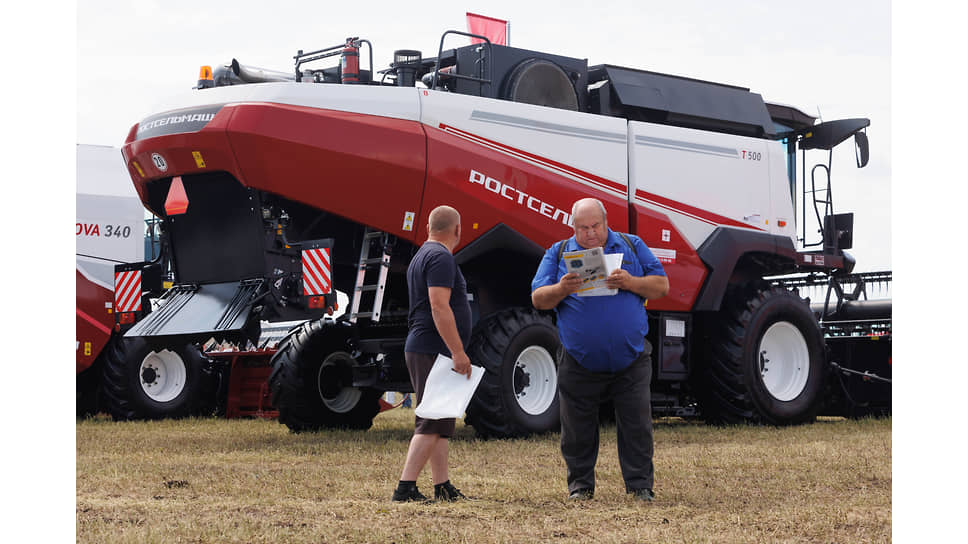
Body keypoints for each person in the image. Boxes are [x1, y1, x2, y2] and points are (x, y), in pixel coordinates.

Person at [531, 197, 669, 502]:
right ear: (573, 228)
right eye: (583, 228)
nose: (590, 233)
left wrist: (631, 282)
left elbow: (661, 286)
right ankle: (580, 487)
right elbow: (538, 298)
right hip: (579, 361)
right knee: (577, 430)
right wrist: (561, 289)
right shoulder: (558, 253)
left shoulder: (632, 246)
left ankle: (640, 486)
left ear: (607, 223)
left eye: (595, 226)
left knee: (637, 427)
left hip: (630, 359)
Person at [392, 205, 473, 503]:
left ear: (428, 227)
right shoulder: (440, 257)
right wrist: (458, 351)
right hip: (433, 348)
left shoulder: (423, 255)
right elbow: (439, 306)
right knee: (430, 421)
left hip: (425, 347)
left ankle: (442, 486)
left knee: (440, 419)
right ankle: (405, 488)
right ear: (457, 230)